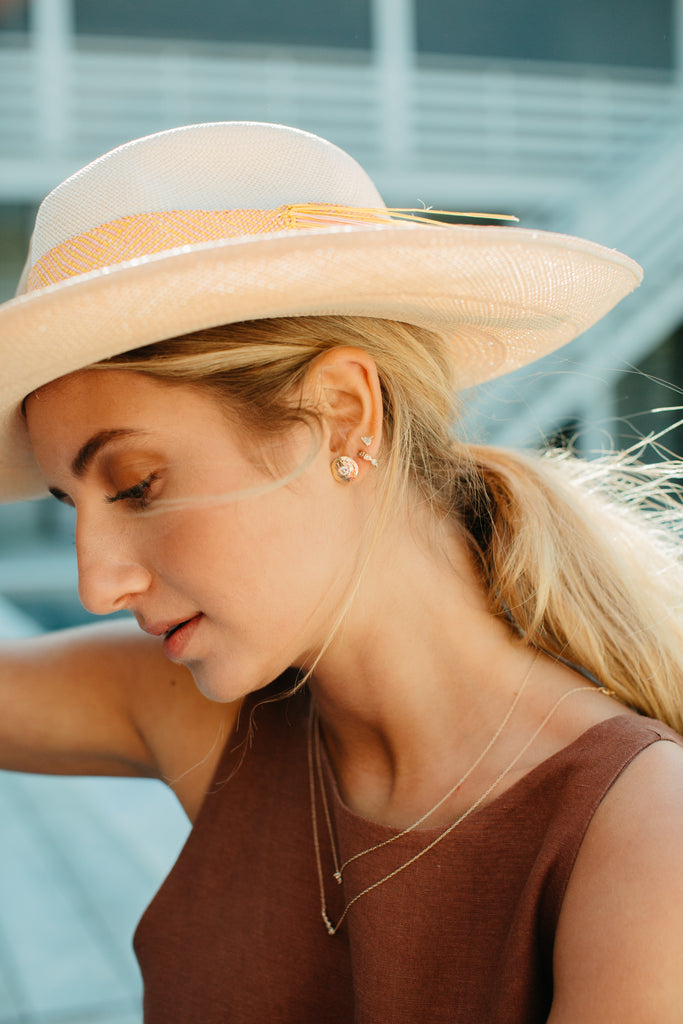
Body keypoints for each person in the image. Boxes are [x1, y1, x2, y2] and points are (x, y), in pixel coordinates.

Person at [2, 121, 683, 1024]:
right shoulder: (210, 716)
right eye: (70, 505)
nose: (98, 586)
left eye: (136, 485)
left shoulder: (640, 836)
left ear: (343, 412)